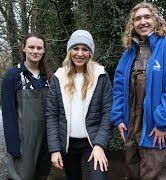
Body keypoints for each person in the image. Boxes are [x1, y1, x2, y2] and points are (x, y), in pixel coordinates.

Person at [110, 2, 166, 180]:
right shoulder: (129, 53)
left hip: (158, 129)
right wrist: (119, 117)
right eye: (138, 19)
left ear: (156, 20)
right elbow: (119, 86)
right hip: (133, 127)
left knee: (157, 174)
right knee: (133, 172)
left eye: (147, 17)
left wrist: (163, 123)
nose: (142, 22)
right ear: (133, 24)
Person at [46, 30, 113, 180]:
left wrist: (100, 145)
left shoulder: (101, 76)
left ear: (90, 53)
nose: (80, 53)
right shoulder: (58, 77)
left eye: (85, 49)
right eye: (76, 49)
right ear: (70, 51)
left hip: (93, 142)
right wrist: (55, 149)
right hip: (67, 144)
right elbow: (52, 115)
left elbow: (108, 112)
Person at [0, 32, 52, 180]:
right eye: (31, 47)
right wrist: (13, 147)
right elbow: (8, 114)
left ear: (43, 50)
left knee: (41, 176)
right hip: (23, 144)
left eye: (39, 48)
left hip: (46, 143)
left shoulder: (48, 76)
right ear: (23, 48)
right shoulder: (13, 75)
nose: (35, 51)